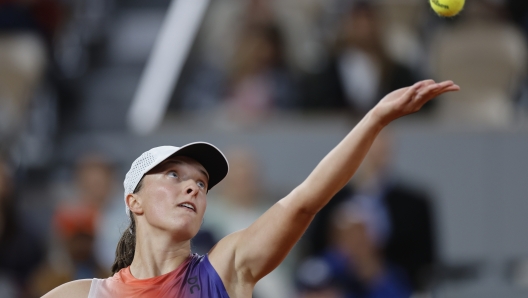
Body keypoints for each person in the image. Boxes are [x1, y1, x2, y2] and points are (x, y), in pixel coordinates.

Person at [42, 79, 459, 297]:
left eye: (200, 183)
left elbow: (305, 201)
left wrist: (375, 119)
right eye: (173, 175)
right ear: (133, 201)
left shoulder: (225, 268)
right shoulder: (82, 295)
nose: (192, 188)